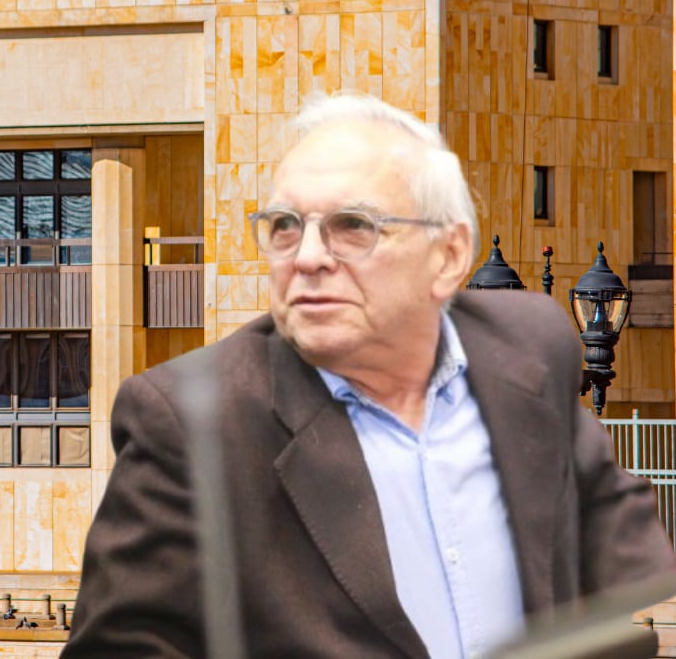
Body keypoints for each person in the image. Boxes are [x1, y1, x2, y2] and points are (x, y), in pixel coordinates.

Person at [62, 93, 676, 658]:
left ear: (449, 256)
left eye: (352, 226)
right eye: (284, 226)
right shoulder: (190, 423)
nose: (307, 257)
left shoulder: (528, 361)